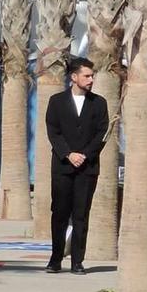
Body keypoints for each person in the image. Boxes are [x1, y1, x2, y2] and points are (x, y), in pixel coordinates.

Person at [44, 57, 109, 274]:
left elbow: (102, 134)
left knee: (81, 214)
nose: (91, 80)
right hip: (63, 166)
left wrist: (84, 155)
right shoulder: (56, 101)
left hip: (87, 168)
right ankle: (55, 259)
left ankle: (77, 261)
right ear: (74, 77)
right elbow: (53, 131)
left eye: (92, 76)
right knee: (60, 213)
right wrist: (68, 154)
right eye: (86, 76)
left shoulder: (99, 103)